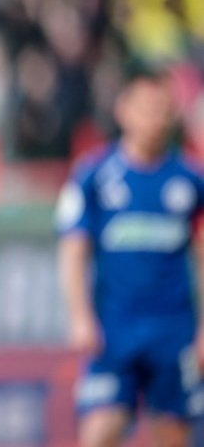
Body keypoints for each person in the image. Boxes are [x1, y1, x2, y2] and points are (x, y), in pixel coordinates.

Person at [55, 66, 204, 446]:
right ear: (124, 110)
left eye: (163, 109)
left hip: (174, 332)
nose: (155, 119)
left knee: (172, 435)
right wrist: (80, 317)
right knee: (99, 432)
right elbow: (73, 250)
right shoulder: (93, 176)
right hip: (113, 331)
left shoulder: (191, 180)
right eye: (147, 108)